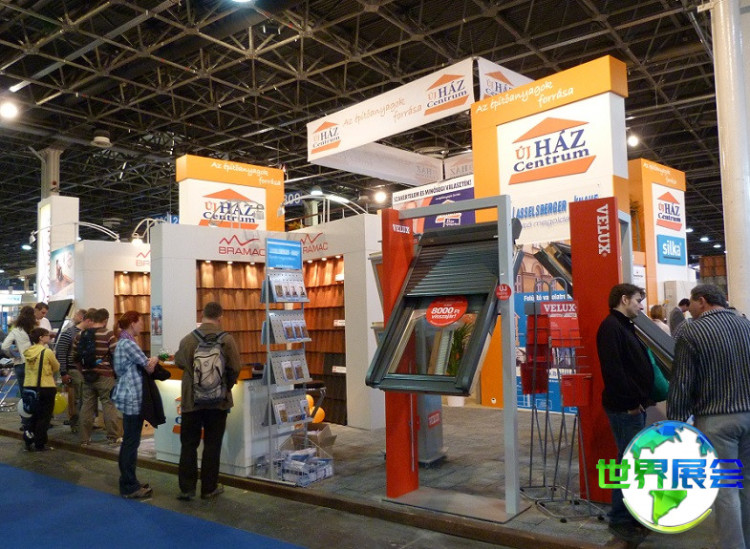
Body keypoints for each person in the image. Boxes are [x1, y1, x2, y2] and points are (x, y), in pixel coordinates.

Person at [668, 284, 750, 549]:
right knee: (747, 482)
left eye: (691, 303)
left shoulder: (692, 331)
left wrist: (676, 424)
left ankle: (732, 545)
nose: (689, 309)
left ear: (701, 301)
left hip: (716, 420)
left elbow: (682, 382)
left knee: (725, 487)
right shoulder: (746, 325)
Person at [596, 283, 654, 544]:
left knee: (633, 463)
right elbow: (614, 372)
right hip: (625, 409)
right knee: (627, 464)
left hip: (633, 407)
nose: (641, 306)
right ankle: (620, 520)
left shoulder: (624, 326)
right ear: (624, 299)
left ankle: (631, 516)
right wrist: (631, 402)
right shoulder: (611, 328)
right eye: (638, 300)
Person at [174, 302, 241, 501]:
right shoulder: (227, 340)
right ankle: (208, 488)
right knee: (213, 444)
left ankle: (187, 489)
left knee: (188, 444)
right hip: (218, 403)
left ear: (202, 316)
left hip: (191, 401)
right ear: (220, 317)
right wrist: (225, 387)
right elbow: (235, 367)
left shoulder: (188, 340)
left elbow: (179, 362)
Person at [111, 311, 159, 499]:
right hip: (133, 398)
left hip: (127, 395)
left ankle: (130, 482)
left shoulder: (122, 342)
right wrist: (156, 358)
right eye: (140, 323)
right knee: (131, 443)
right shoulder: (129, 344)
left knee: (130, 442)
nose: (142, 326)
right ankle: (129, 485)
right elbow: (148, 366)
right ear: (132, 323)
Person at [73, 308, 122, 446]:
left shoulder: (80, 335)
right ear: (105, 320)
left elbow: (75, 357)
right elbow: (116, 354)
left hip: (87, 375)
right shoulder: (108, 334)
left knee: (87, 405)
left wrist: (82, 371)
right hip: (105, 375)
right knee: (108, 404)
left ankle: (84, 438)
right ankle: (113, 437)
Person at [22, 327, 60, 451]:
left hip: (29, 386)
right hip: (45, 386)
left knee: (33, 415)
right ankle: (40, 443)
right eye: (47, 335)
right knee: (44, 416)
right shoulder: (46, 352)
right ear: (41, 338)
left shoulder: (28, 352)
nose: (49, 337)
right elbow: (56, 366)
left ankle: (28, 439)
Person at [56, 308, 92, 433]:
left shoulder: (88, 333)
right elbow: (61, 353)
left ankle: (83, 422)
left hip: (85, 369)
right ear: (87, 320)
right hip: (73, 369)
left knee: (84, 397)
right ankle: (76, 423)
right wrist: (63, 372)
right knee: (78, 397)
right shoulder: (69, 333)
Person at [2, 305, 36, 397]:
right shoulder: (35, 330)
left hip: (21, 363)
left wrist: (13, 355)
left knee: (24, 393)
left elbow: (4, 346)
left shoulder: (16, 331)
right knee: (35, 392)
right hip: (34, 363)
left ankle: (25, 406)